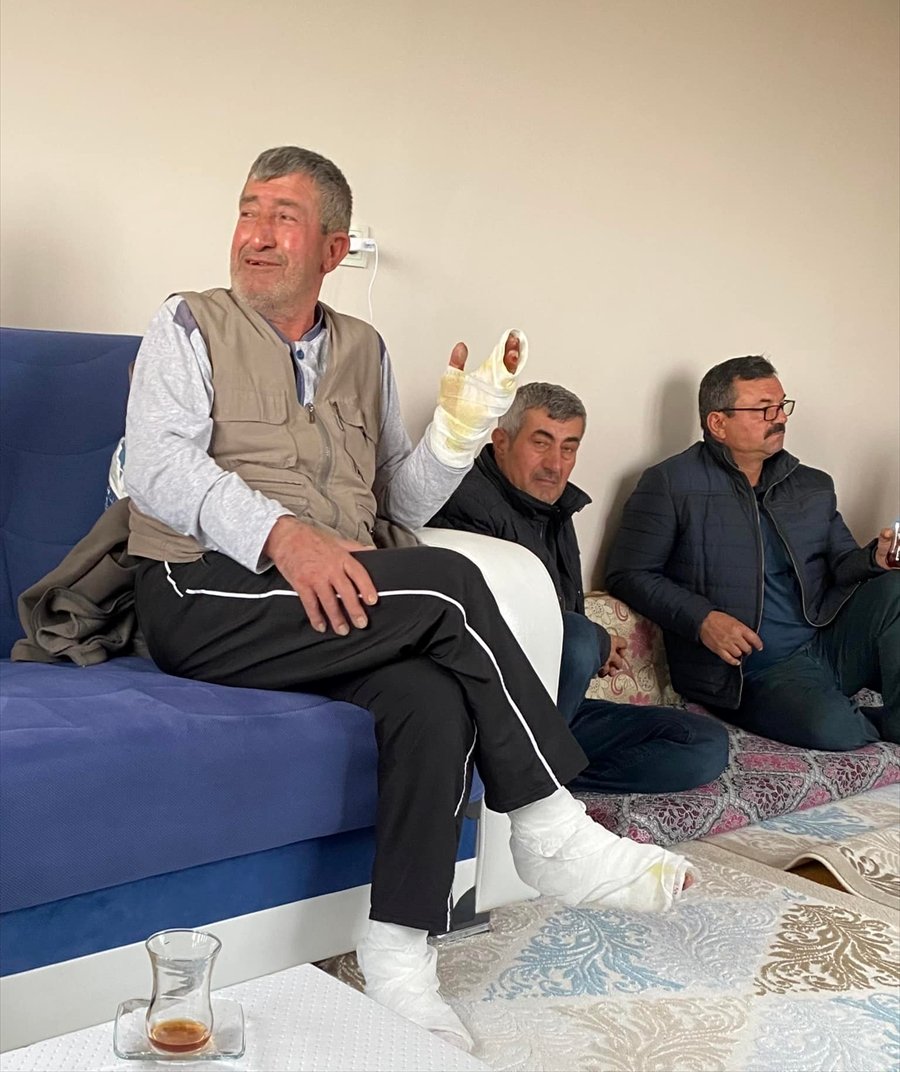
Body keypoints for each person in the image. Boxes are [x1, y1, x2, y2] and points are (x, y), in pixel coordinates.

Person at [124, 146, 694, 1051]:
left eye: (283, 217)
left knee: (429, 697)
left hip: (326, 590)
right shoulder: (188, 324)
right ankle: (549, 824)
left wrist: (461, 430)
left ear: (333, 247)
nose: (256, 234)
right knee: (453, 583)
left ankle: (397, 959)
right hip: (204, 589)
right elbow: (157, 467)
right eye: (248, 210)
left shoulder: (364, 348)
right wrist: (285, 535)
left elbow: (399, 499)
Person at [429, 382, 729, 795]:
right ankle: (526, 775)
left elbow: (563, 622)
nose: (555, 464)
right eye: (541, 443)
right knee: (578, 637)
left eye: (568, 448)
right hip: (490, 716)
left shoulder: (554, 510)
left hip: (552, 712)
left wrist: (589, 648)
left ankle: (544, 778)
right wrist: (593, 643)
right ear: (501, 441)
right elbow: (495, 633)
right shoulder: (465, 502)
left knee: (703, 742)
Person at [606, 355, 899, 753]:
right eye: (764, 409)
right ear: (718, 423)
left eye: (781, 405)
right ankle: (853, 718)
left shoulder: (811, 484)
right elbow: (628, 573)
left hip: (827, 641)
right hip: (751, 669)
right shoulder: (670, 483)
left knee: (896, 586)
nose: (780, 418)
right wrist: (702, 619)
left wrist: (874, 559)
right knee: (836, 731)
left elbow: (842, 563)